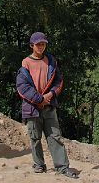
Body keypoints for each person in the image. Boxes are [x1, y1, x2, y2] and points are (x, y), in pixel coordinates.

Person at [16, 32, 78, 178]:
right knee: (35, 138)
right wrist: (39, 100)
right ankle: (39, 165)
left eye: (43, 44)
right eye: (38, 44)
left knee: (55, 136)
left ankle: (62, 167)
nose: (41, 47)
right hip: (32, 107)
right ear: (32, 45)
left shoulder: (51, 61)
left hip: (49, 106)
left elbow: (59, 81)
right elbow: (22, 87)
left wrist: (50, 95)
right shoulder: (26, 63)